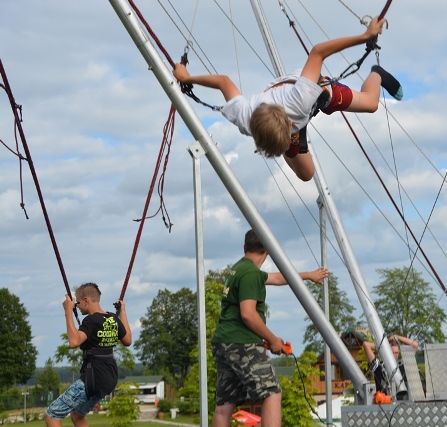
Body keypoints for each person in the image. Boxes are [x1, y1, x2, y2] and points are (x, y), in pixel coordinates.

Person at [173, 16, 403, 182]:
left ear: (291, 124)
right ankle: (293, 138)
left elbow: (318, 52)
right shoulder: (245, 117)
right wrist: (187, 77)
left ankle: (377, 74)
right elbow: (223, 82)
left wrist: (365, 36)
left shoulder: (300, 99)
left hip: (317, 93)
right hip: (286, 115)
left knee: (371, 104)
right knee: (307, 175)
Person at [211, 229, 329, 427]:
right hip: (242, 342)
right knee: (272, 393)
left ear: (245, 246)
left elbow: (277, 278)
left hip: (223, 342)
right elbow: (248, 314)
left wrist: (308, 275)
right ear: (267, 250)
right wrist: (272, 340)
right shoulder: (250, 273)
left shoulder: (239, 268)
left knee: (224, 405)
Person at [45, 283, 132, 427]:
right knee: (77, 415)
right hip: (109, 377)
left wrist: (68, 311)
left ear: (86, 300)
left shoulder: (90, 320)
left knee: (51, 415)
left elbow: (74, 342)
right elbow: (127, 340)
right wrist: (122, 311)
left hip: (93, 378)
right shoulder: (113, 318)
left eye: (78, 303)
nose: (77, 307)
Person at [362, 334, 418, 398]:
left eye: (396, 353)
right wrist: (385, 345)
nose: (394, 355)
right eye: (392, 352)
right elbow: (366, 345)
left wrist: (397, 337)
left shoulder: (402, 365)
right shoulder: (378, 366)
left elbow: (415, 345)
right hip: (383, 401)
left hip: (401, 401)